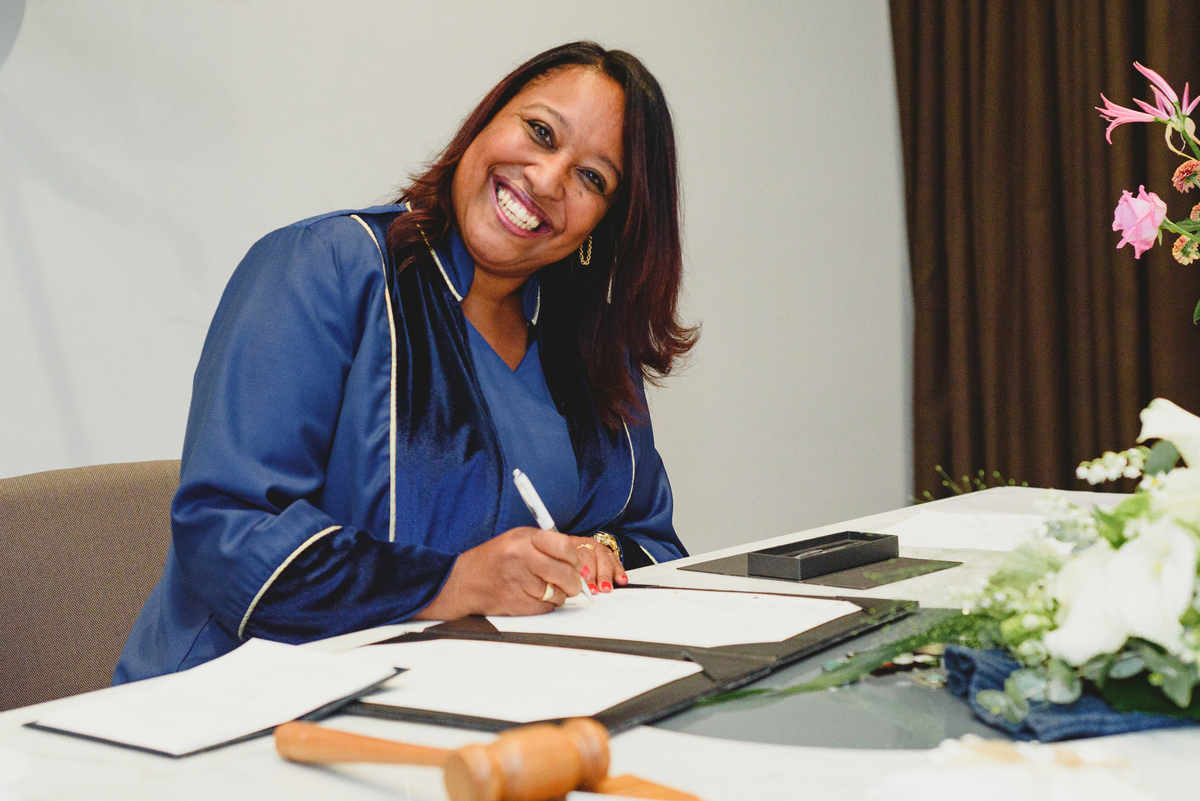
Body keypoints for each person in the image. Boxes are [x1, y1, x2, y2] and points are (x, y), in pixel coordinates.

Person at [114, 41, 697, 683]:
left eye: (593, 178)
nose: (548, 179)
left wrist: (597, 557)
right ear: (485, 122)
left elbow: (650, 538)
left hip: (475, 703)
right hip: (232, 714)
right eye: (539, 131)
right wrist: (453, 583)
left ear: (604, 227)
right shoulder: (326, 267)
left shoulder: (589, 347)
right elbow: (228, 533)